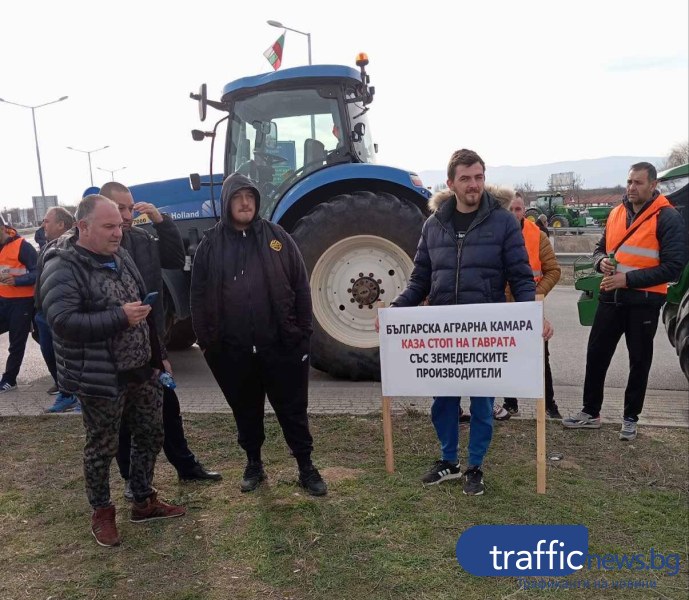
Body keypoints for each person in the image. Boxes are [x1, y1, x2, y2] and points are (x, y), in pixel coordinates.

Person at [380, 149, 539, 495]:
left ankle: (475, 466)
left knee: (482, 404)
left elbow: (522, 277)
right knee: (444, 402)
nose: (474, 185)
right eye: (466, 178)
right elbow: (420, 280)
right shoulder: (433, 226)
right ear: (451, 183)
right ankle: (448, 461)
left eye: (479, 177)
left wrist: (533, 316)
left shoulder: (503, 223)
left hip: (485, 334)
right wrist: (394, 311)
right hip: (444, 336)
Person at [38, 195, 185, 547]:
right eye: (109, 226)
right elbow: (61, 320)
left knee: (151, 434)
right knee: (101, 447)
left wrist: (158, 355)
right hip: (100, 377)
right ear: (83, 227)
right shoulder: (63, 264)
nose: (118, 232)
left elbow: (144, 307)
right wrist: (118, 317)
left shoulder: (121, 256)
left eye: (119, 225)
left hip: (141, 369)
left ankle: (142, 499)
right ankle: (102, 512)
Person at [190, 172, 327, 496]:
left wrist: (301, 333)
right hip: (233, 351)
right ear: (226, 203)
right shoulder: (210, 246)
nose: (245, 202)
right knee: (245, 411)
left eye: (250, 196)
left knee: (293, 411)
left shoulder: (276, 237)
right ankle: (254, 464)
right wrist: (209, 343)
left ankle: (306, 467)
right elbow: (197, 296)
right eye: (238, 197)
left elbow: (299, 285)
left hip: (280, 347)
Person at [99, 182, 222, 492]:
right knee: (126, 419)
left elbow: (173, 257)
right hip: (116, 350)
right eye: (120, 208)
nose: (127, 215)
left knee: (169, 406)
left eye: (130, 208)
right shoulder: (94, 250)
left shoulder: (141, 239)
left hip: (151, 343)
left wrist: (162, 221)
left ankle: (186, 465)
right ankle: (130, 479)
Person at [563, 162, 687, 441]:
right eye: (629, 182)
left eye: (638, 183)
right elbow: (599, 250)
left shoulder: (667, 218)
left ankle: (631, 417)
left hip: (644, 301)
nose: (631, 187)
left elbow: (673, 267)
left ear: (653, 185)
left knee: (639, 361)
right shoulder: (616, 212)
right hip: (610, 297)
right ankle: (590, 412)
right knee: (596, 355)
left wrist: (627, 281)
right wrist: (601, 262)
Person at [501, 189, 562, 420]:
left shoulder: (538, 236)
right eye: (509, 210)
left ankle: (550, 405)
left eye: (517, 209)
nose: (514, 214)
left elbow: (553, 270)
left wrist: (535, 294)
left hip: (529, 308)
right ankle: (510, 403)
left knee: (540, 358)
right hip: (504, 308)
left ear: (524, 211)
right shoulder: (495, 235)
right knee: (506, 356)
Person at [38, 207, 81, 412]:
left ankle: (80, 396)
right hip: (43, 313)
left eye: (47, 221)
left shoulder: (73, 247)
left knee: (72, 355)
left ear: (61, 224)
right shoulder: (48, 247)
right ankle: (65, 393)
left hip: (64, 312)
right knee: (54, 354)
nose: (43, 225)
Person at [0, 215, 38, 393]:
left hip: (22, 303)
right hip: (2, 301)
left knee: (16, 343)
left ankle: (9, 380)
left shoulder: (22, 246)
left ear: (2, 228)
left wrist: (18, 280)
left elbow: (38, 272)